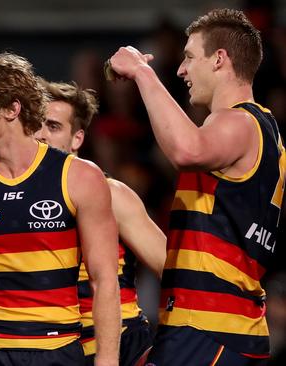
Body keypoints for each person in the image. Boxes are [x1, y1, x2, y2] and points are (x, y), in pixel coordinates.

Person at [108, 8, 284, 365]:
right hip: (224, 328)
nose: (181, 69)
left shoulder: (239, 121)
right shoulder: (267, 134)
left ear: (219, 59)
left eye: (189, 57)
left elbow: (187, 149)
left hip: (208, 328)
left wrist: (143, 72)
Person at [0, 52, 121, 366]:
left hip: (57, 353)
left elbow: (104, 281)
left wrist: (108, 360)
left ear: (11, 109)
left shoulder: (79, 178)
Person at [34, 79, 166, 365]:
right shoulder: (12, 198)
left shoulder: (113, 195)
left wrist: (178, 338)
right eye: (36, 124)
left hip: (123, 346)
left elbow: (172, 269)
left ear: (77, 139)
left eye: (54, 127)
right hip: (53, 349)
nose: (41, 135)